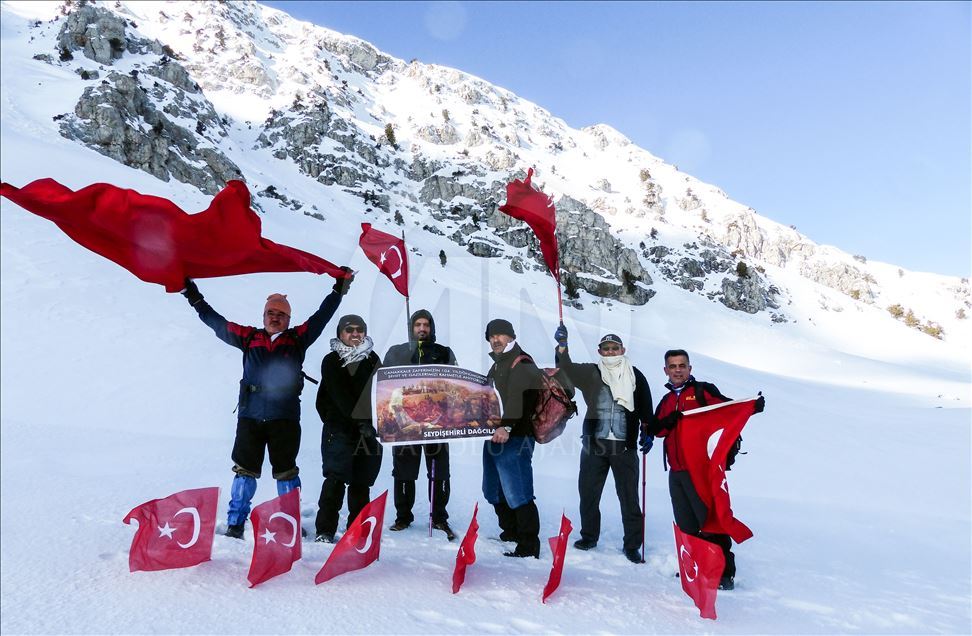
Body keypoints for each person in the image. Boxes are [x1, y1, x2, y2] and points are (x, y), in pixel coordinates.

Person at [180, 270, 352, 539]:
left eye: (281, 314)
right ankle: (236, 523)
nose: (275, 317)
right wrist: (193, 297)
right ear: (264, 316)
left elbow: (322, 317)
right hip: (250, 416)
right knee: (244, 471)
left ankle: (288, 524)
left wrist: (338, 290)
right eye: (271, 313)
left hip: (284, 418)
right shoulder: (249, 337)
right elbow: (217, 323)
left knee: (286, 472)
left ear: (288, 319)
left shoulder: (297, 339)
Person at [647, 349, 765, 590]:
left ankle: (723, 573)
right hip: (676, 472)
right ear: (665, 370)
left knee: (710, 520)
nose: (677, 370)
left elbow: (727, 411)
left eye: (682, 365)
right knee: (686, 524)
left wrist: (751, 407)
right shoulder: (667, 400)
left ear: (690, 369)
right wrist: (663, 424)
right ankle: (696, 568)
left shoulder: (702, 391)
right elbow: (657, 430)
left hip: (699, 470)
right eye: (672, 366)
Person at [553, 326, 654, 563]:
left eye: (614, 348)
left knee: (629, 497)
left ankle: (632, 545)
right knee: (588, 493)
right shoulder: (591, 373)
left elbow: (646, 411)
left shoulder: (636, 375)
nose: (610, 352)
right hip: (594, 445)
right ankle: (589, 536)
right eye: (605, 349)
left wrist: (648, 433)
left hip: (624, 447)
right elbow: (565, 367)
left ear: (622, 349)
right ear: (599, 351)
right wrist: (562, 345)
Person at [382, 310, 459, 540]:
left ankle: (439, 516)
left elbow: (456, 383)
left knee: (439, 471)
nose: (422, 329)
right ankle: (403, 516)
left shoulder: (443, 352)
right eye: (418, 325)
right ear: (411, 327)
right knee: (404, 470)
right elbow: (383, 385)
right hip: (405, 424)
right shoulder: (397, 352)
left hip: (437, 423)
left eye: (426, 325)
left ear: (431, 327)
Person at [314, 314, 383, 543]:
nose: (355, 334)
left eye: (359, 329)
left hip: (369, 432)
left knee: (361, 483)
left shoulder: (373, 359)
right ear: (340, 333)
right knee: (335, 479)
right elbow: (338, 395)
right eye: (349, 329)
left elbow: (380, 393)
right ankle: (325, 530)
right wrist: (351, 421)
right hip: (340, 429)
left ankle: (357, 530)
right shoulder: (331, 361)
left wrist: (376, 423)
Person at [482, 318, 543, 558]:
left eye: (500, 335)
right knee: (494, 489)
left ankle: (528, 545)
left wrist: (506, 427)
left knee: (518, 490)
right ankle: (511, 531)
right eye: (491, 336)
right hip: (494, 435)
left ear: (511, 336)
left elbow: (519, 398)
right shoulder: (499, 363)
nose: (495, 339)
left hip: (515, 437)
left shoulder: (521, 361)